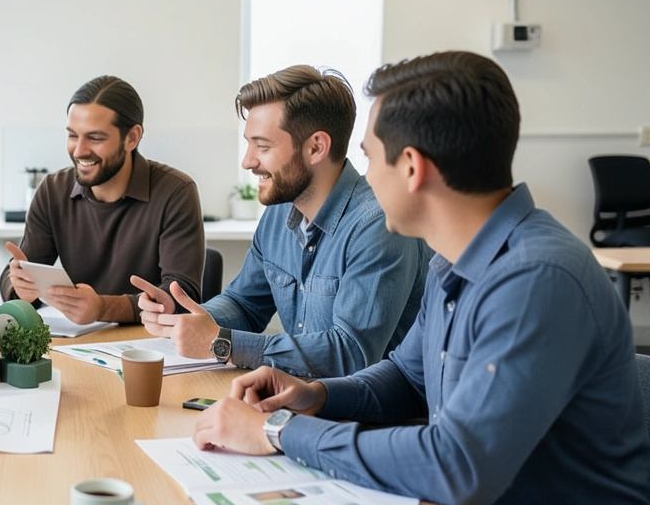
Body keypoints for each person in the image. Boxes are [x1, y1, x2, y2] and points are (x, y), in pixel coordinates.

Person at [191, 52, 650, 505]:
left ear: (411, 167)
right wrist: (312, 396)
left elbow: (457, 465)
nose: (359, 173)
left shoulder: (536, 278)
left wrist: (282, 431)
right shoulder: (454, 257)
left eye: (366, 154)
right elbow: (404, 380)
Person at [134, 65, 429, 378]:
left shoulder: (378, 226)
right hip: (298, 398)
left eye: (262, 146)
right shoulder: (280, 211)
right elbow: (244, 304)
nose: (248, 161)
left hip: (363, 418)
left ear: (316, 147)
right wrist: (185, 317)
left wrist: (222, 343)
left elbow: (352, 354)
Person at [1, 75, 204, 325]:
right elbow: (17, 275)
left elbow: (182, 298)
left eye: (95, 138)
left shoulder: (175, 191)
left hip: (149, 346)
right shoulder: (53, 190)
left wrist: (104, 308)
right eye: (73, 136)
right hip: (76, 343)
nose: (79, 151)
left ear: (132, 137)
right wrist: (20, 286)